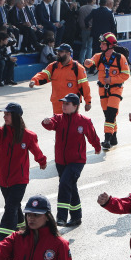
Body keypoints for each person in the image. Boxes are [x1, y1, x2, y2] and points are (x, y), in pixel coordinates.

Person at [0, 102, 48, 240]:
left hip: (19, 179)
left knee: (10, 208)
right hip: (3, 180)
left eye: (8, 114)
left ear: (16, 116)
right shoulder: (1, 132)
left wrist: (41, 161)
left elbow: (36, 150)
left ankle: (4, 240)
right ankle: (24, 230)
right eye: (4, 114)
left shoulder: (28, 135)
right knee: (14, 206)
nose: (4, 116)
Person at [41, 93, 101, 226]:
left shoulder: (84, 121)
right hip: (61, 161)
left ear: (75, 106)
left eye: (67, 104)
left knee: (64, 184)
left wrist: (97, 147)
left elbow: (92, 135)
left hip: (77, 161)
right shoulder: (58, 118)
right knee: (70, 186)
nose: (64, 106)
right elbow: (51, 125)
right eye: (63, 103)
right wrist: (47, 122)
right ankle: (76, 217)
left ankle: (61, 217)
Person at [84, 33, 130, 151]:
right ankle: (114, 137)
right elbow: (91, 61)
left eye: (103, 44)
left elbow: (126, 75)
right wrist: (88, 62)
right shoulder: (99, 56)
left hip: (116, 89)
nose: (101, 46)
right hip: (103, 90)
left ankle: (107, 139)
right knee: (108, 115)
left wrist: (112, 80)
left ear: (110, 45)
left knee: (110, 113)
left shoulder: (120, 58)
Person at [29, 43, 92, 116]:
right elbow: (44, 74)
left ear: (68, 53)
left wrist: (88, 102)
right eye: (58, 51)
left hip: (71, 104)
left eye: (61, 52)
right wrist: (34, 80)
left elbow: (84, 86)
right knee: (57, 122)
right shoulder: (53, 66)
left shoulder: (78, 68)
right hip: (57, 103)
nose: (58, 54)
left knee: (70, 123)